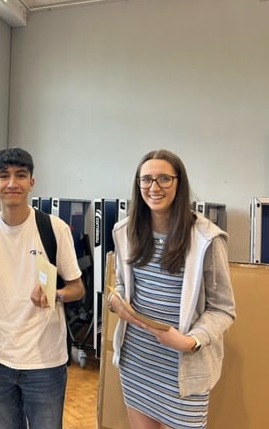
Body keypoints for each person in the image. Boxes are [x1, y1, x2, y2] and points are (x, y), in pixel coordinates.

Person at [109, 149, 236, 429]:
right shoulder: (125, 231)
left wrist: (190, 341)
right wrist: (115, 300)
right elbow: (121, 282)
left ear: (179, 183)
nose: (154, 188)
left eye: (164, 179)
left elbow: (223, 309)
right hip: (137, 360)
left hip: (183, 366)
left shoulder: (206, 238)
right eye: (146, 180)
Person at [0, 147, 85, 429]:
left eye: (20, 175)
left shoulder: (54, 229)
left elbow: (77, 288)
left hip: (45, 361)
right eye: (3, 176)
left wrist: (55, 294)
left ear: (31, 182)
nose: (11, 183)